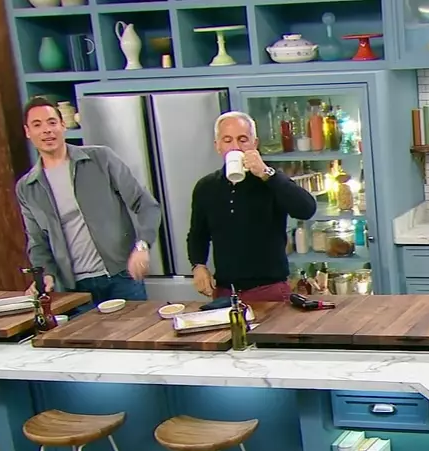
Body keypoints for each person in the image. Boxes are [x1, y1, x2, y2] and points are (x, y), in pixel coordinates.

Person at [16, 96, 160, 305]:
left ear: (63, 125)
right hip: (74, 289)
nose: (47, 130)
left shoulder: (100, 159)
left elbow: (145, 204)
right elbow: (37, 242)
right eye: (37, 125)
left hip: (121, 278)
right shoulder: (27, 187)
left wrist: (142, 245)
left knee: (136, 327)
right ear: (28, 132)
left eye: (52, 122)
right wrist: (45, 275)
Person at [187, 111, 316, 302]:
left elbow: (306, 209)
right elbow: (198, 234)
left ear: (254, 144)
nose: (235, 147)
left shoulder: (271, 181)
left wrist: (266, 173)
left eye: (243, 140)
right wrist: (198, 265)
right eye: (227, 140)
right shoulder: (206, 187)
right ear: (218, 146)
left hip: (270, 290)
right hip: (225, 292)